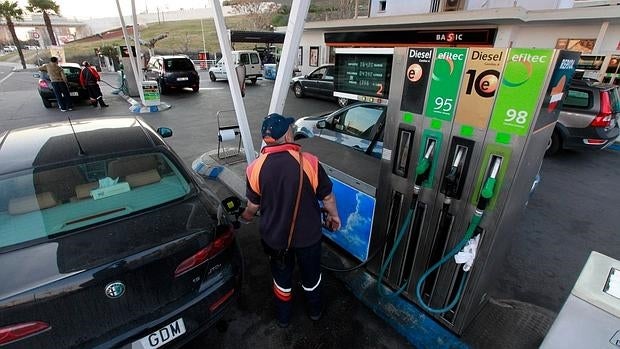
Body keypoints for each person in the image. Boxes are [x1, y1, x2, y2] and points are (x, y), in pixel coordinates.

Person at [241, 113, 341, 328]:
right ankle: (314, 311)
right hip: (308, 238)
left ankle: (284, 318)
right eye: (291, 128)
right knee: (311, 278)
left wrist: (246, 217)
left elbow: (253, 205)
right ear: (286, 135)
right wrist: (334, 216)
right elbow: (328, 197)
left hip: (275, 240)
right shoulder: (310, 163)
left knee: (281, 280)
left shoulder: (254, 168)